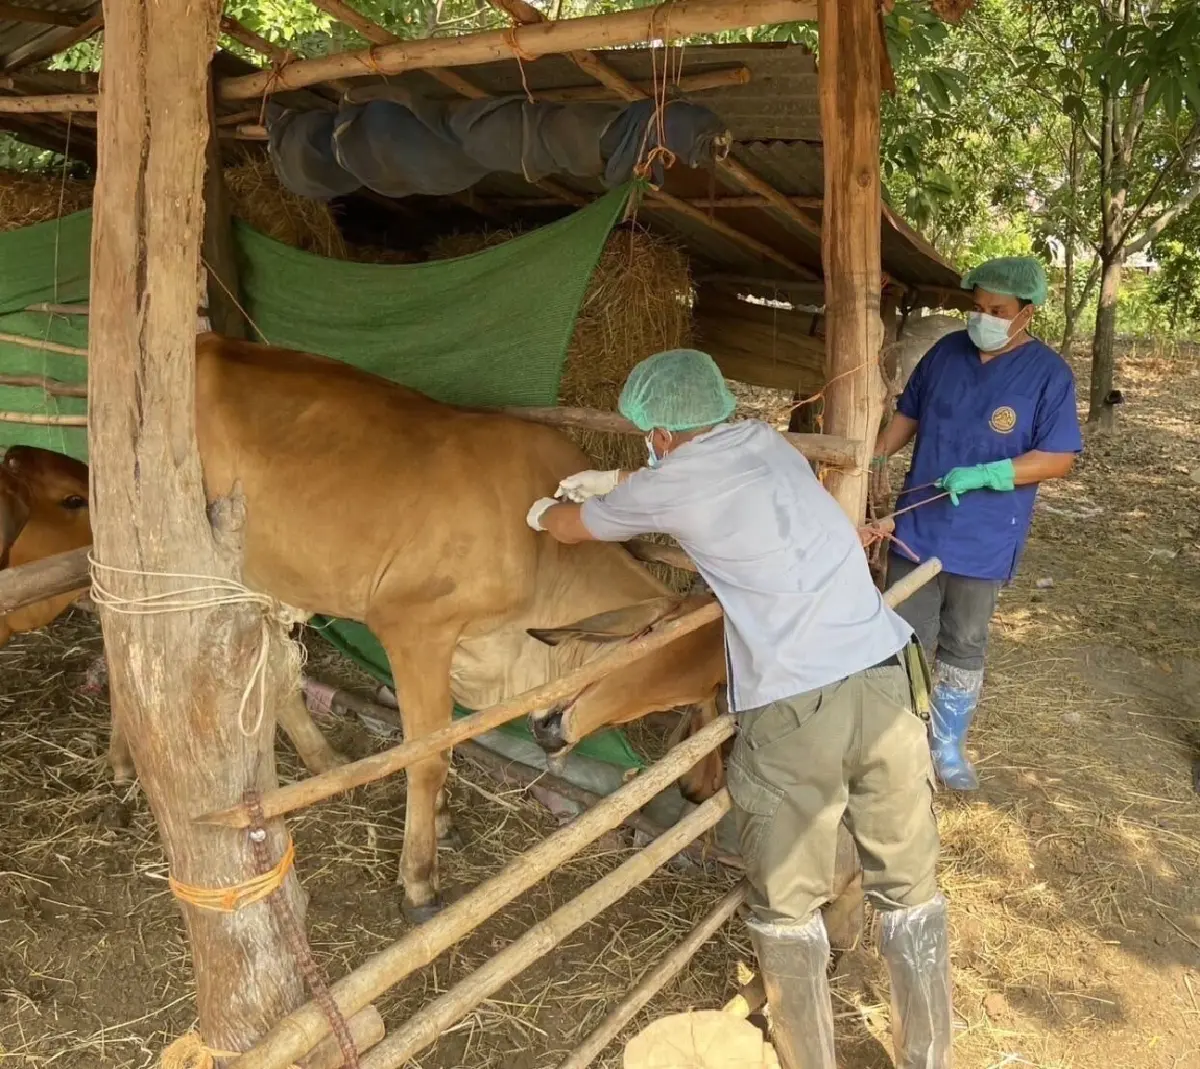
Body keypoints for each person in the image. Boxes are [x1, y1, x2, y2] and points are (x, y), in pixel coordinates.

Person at [526, 349, 953, 1069]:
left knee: (785, 902)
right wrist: (625, 480)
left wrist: (547, 508)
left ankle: (807, 1059)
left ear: (660, 433)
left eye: (649, 435)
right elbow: (692, 482)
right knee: (910, 888)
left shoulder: (672, 480)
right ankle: (930, 1056)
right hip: (889, 675)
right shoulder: (765, 442)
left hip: (798, 701)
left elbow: (573, 529)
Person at [874, 256, 1082, 791]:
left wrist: (993, 472)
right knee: (903, 635)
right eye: (978, 306)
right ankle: (899, 741)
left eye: (998, 310)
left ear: (1027, 314)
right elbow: (909, 414)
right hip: (916, 527)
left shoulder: (1049, 375)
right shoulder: (946, 352)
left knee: (963, 641)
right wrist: (873, 457)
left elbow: (1058, 458)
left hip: (986, 533)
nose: (983, 317)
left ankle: (946, 744)